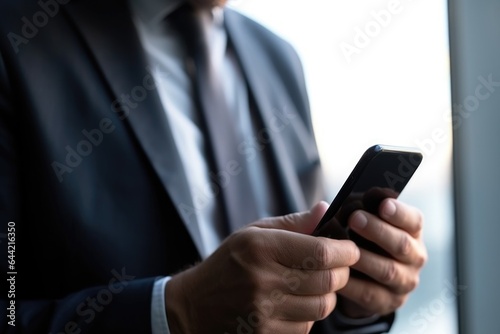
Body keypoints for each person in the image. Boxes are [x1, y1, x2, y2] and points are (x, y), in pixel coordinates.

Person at [0, 0, 427, 332]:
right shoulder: (18, 37)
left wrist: (352, 302)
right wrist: (175, 313)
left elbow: (289, 309)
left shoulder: (278, 59)